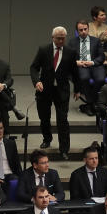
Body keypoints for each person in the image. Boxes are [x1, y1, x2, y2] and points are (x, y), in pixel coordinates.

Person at [30, 26, 78, 159]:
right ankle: (47, 139)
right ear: (53, 38)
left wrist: (78, 89)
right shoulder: (44, 50)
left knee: (62, 120)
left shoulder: (70, 52)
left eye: (63, 38)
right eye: (58, 38)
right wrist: (36, 82)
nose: (61, 41)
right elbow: (34, 67)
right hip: (44, 89)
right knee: (44, 117)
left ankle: (64, 149)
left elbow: (75, 72)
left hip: (62, 90)